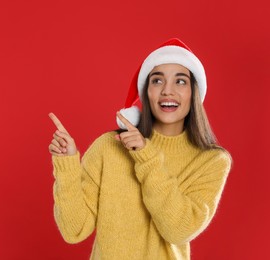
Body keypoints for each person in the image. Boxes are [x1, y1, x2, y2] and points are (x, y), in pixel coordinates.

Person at [48, 38, 232, 259]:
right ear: (146, 92)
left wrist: (147, 156)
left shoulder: (211, 160)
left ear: (194, 93)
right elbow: (74, 230)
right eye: (157, 81)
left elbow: (178, 229)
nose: (167, 91)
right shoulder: (109, 146)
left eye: (180, 82)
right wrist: (67, 165)